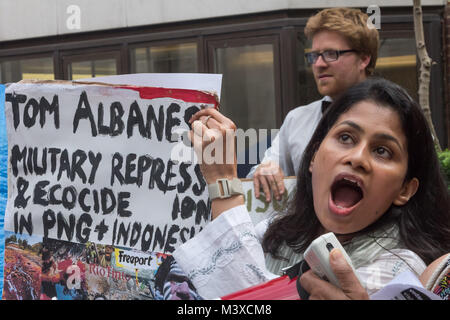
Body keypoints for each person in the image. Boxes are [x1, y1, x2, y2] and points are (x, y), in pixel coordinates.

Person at [172, 78, 450, 299]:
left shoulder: (400, 268)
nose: (357, 158)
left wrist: (224, 189)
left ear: (405, 189)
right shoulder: (274, 232)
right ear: (314, 157)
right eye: (345, 137)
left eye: (382, 151)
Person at [248, 7, 379, 202]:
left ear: (364, 59)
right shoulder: (296, 119)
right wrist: (264, 171)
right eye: (314, 55)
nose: (318, 64)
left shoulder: (395, 117)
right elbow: (254, 180)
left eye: (330, 54)